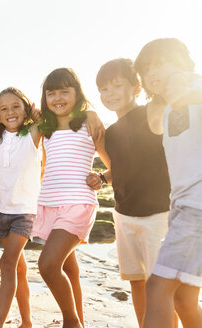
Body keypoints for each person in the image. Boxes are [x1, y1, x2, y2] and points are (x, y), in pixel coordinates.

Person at [93, 58, 170, 327]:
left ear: (136, 88)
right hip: (123, 214)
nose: (110, 94)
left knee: (161, 285)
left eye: (117, 86)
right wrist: (103, 176)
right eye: (104, 89)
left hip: (158, 215)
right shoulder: (111, 133)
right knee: (136, 281)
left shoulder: (152, 113)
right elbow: (122, 166)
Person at [32, 68, 110, 328]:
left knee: (48, 265)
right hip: (49, 202)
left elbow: (115, 166)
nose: (58, 98)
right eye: (51, 93)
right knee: (67, 267)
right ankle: (80, 321)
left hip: (78, 203)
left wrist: (102, 177)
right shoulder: (46, 127)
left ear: (77, 93)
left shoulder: (89, 123)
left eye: (64, 91)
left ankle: (71, 322)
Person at [134, 38, 202, 328]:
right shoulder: (166, 110)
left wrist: (185, 83)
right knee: (183, 299)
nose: (152, 72)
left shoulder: (195, 86)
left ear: (183, 62)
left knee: (157, 287)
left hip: (197, 207)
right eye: (146, 69)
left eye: (160, 62)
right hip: (182, 209)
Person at [0, 87, 42, 328]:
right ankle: (26, 321)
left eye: (16, 106)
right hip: (2, 209)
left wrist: (38, 115)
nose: (10, 112)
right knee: (17, 267)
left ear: (26, 109)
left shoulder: (32, 133)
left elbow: (47, 119)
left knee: (6, 263)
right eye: (4, 109)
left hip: (25, 210)